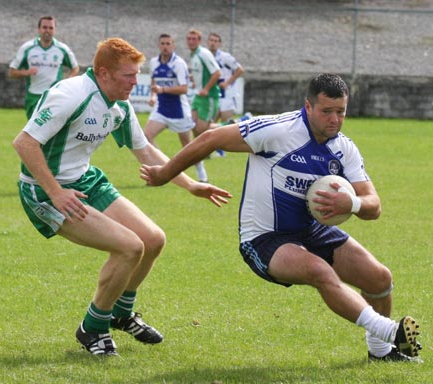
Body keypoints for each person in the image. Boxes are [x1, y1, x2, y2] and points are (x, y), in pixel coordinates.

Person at [140, 73, 423, 362]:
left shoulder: (344, 148)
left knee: (379, 279)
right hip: (264, 239)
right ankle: (391, 331)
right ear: (308, 107)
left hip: (313, 232)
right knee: (320, 271)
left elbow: (373, 206)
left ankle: (380, 352)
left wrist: (350, 202)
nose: (335, 119)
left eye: (341, 112)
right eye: (326, 111)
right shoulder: (278, 130)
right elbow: (212, 138)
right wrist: (164, 174)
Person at [12, 37, 232, 357]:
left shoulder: (119, 105)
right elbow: (23, 143)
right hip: (44, 192)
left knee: (153, 239)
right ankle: (93, 328)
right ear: (103, 72)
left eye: (136, 74)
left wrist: (189, 184)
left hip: (85, 180)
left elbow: (145, 151)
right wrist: (55, 192)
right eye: (129, 75)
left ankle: (120, 313)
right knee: (129, 247)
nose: (135, 81)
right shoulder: (69, 95)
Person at [9, 16, 80, 119]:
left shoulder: (62, 49)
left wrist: (67, 80)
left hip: (54, 96)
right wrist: (27, 72)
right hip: (34, 97)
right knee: (34, 132)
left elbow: (75, 67)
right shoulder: (27, 48)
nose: (47, 31)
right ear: (39, 29)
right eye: (45, 27)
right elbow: (12, 72)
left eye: (51, 28)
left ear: (55, 30)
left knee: (53, 131)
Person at [144, 34, 194, 151]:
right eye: (162, 43)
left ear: (173, 45)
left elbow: (184, 89)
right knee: (146, 136)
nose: (165, 46)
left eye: (168, 43)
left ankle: (200, 169)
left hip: (179, 110)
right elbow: (153, 81)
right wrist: (153, 96)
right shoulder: (154, 62)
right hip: (161, 110)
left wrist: (163, 90)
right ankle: (165, 164)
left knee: (188, 147)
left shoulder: (178, 63)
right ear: (159, 45)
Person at [186, 28, 222, 182]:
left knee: (202, 128)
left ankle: (231, 124)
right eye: (189, 39)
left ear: (199, 41)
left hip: (208, 97)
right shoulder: (193, 55)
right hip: (197, 95)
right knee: (192, 126)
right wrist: (195, 82)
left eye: (194, 39)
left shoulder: (204, 53)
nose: (191, 41)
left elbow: (217, 73)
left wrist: (206, 89)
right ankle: (203, 152)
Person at [207, 32, 245, 124]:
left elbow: (240, 70)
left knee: (226, 124)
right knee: (209, 124)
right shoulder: (206, 56)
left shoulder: (225, 57)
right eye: (211, 40)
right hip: (213, 93)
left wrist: (227, 83)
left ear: (219, 44)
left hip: (226, 93)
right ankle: (242, 120)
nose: (213, 43)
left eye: (216, 41)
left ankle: (242, 121)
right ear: (208, 42)